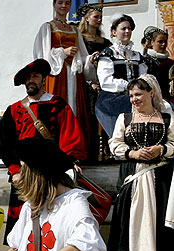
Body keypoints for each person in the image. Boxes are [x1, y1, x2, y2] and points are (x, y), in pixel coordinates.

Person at [0, 58, 86, 238]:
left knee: (53, 226)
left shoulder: (58, 105)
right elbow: (5, 144)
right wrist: (14, 171)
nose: (30, 80)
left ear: (44, 79)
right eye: (28, 78)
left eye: (35, 76)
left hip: (51, 174)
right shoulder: (14, 110)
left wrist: (70, 162)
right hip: (24, 175)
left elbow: (71, 137)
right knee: (21, 231)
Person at [106, 75, 174, 251]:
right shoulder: (124, 119)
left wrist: (161, 149)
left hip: (160, 178)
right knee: (132, 221)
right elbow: (115, 144)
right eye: (131, 95)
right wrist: (132, 154)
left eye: (138, 94)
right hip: (133, 177)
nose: (134, 99)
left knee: (157, 223)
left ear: (151, 93)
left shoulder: (167, 118)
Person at [33, 0, 93, 162]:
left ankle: (73, 150)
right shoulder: (48, 27)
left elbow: (83, 53)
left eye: (67, 3)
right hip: (56, 75)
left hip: (73, 75)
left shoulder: (75, 29)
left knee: (74, 109)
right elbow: (41, 54)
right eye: (60, 2)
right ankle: (55, 149)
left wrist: (88, 60)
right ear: (54, 4)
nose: (64, 6)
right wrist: (62, 52)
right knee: (56, 110)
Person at [95, 14, 147, 137]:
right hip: (112, 98)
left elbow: (143, 78)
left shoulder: (137, 56)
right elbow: (106, 81)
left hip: (135, 96)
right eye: (123, 28)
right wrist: (130, 86)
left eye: (129, 28)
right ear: (114, 32)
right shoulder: (108, 54)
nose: (127, 31)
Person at [78, 3, 112, 163]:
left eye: (100, 17)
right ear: (86, 18)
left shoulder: (105, 42)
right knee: (90, 118)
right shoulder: (81, 39)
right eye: (96, 16)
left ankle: (107, 152)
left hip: (104, 83)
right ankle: (90, 154)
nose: (99, 20)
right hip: (86, 83)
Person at [141, 26, 173, 103]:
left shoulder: (170, 62)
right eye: (160, 41)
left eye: (165, 41)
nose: (163, 44)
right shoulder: (145, 61)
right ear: (152, 42)